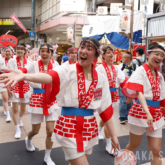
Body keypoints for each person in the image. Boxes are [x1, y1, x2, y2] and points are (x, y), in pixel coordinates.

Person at [0, 38, 120, 165]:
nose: (83, 51)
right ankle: (35, 145)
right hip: (69, 125)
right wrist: (24, 76)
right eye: (82, 47)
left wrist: (113, 135)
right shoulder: (67, 69)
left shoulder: (101, 78)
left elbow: (105, 109)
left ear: (96, 55)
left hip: (90, 128)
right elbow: (49, 76)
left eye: (89, 49)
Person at [122, 42, 165, 165]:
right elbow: (138, 92)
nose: (159, 58)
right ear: (147, 54)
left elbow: (162, 97)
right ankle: (123, 162)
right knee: (133, 145)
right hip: (140, 112)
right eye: (156, 54)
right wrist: (147, 112)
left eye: (162, 55)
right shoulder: (140, 71)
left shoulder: (160, 76)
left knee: (156, 150)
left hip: (156, 114)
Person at [21, 43, 59, 165]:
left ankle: (47, 156)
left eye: (47, 51)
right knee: (35, 131)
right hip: (37, 98)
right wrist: (18, 73)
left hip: (52, 99)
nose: (44, 53)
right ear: (39, 53)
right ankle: (29, 139)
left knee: (50, 131)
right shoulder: (33, 64)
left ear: (52, 54)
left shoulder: (56, 65)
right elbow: (24, 69)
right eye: (42, 51)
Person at [96, 46, 127, 155]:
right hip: (104, 96)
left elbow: (123, 81)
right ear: (103, 55)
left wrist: (129, 92)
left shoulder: (116, 68)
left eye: (112, 52)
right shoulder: (99, 69)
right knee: (108, 118)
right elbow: (95, 84)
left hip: (113, 96)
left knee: (105, 118)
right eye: (108, 53)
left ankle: (98, 130)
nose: (111, 54)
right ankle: (109, 145)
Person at [7, 43, 30, 139]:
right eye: (18, 49)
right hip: (14, 86)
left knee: (23, 109)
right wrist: (8, 88)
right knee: (15, 109)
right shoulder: (12, 61)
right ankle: (17, 129)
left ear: (25, 50)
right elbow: (8, 74)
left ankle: (20, 118)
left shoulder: (29, 61)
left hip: (25, 86)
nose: (19, 50)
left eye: (21, 48)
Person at [118, 52, 138, 124]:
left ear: (129, 58)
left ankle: (128, 115)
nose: (122, 58)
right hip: (123, 86)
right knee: (123, 101)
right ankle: (122, 117)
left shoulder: (136, 66)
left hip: (132, 86)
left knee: (130, 102)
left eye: (124, 57)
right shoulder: (120, 66)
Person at [0, 46, 13, 122]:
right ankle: (8, 115)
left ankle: (6, 108)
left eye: (9, 51)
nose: (7, 53)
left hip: (12, 82)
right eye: (6, 51)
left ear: (12, 52)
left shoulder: (14, 60)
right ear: (3, 53)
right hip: (3, 81)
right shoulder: (1, 61)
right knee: (5, 98)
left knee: (9, 98)